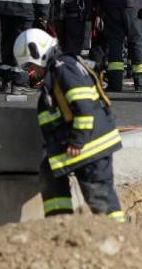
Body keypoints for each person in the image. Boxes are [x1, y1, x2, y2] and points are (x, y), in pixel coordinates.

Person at [15, 28, 124, 223]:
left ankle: (117, 233)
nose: (30, 71)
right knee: (49, 173)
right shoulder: (58, 70)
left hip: (90, 146)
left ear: (38, 54)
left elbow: (84, 106)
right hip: (80, 145)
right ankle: (60, 224)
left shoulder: (64, 68)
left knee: (99, 194)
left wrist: (77, 141)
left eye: (30, 65)